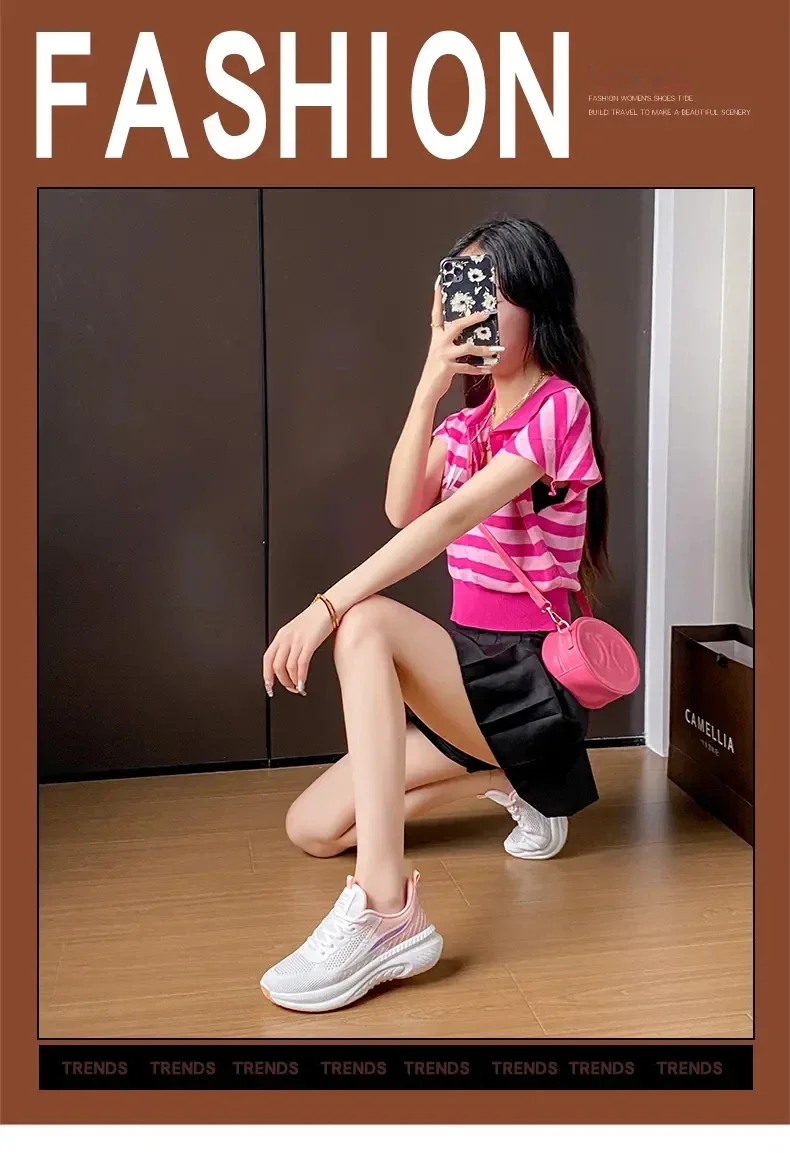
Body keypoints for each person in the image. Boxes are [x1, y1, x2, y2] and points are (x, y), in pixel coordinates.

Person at [259, 215, 607, 1013]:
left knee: (366, 623)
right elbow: (400, 506)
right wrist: (429, 379)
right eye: (462, 292)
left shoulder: (559, 408)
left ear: (537, 302)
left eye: (493, 292)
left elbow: (444, 521)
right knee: (310, 827)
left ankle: (387, 909)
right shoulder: (464, 426)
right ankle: (513, 779)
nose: (474, 311)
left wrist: (325, 606)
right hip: (469, 687)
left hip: (530, 682)